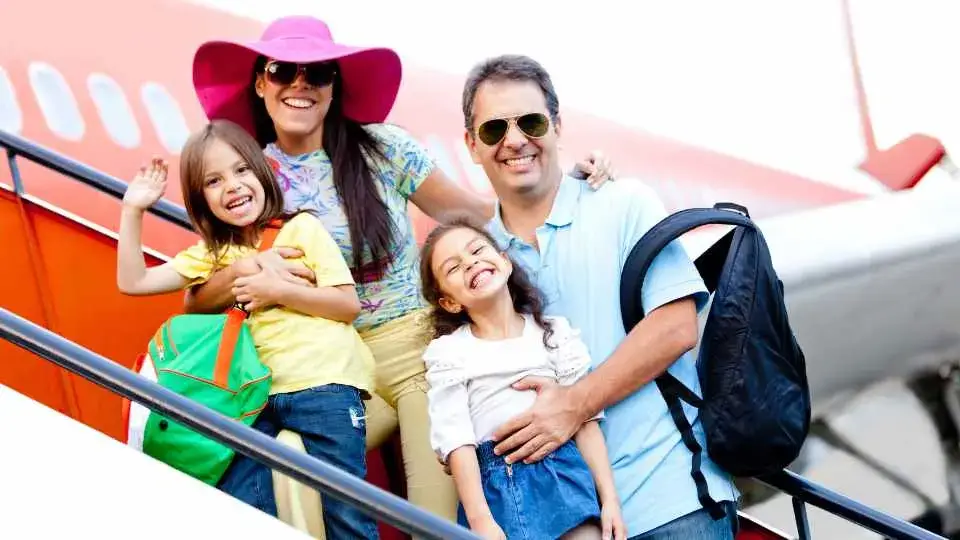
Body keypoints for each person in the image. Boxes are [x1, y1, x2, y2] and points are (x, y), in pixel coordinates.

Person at [186, 15, 616, 523]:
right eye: (283, 71)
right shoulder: (248, 174)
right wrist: (252, 269)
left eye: (318, 73)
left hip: (415, 351)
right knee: (292, 475)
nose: (300, 85)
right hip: (332, 367)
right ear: (260, 83)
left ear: (334, 87)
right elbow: (203, 285)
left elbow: (479, 214)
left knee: (430, 514)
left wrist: (567, 185)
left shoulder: (381, 148)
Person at [459, 54, 740, 539]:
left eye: (530, 121)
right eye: (493, 130)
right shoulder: (478, 257)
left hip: (668, 500)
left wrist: (573, 405)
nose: (515, 141)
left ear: (558, 126)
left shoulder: (623, 203)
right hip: (563, 522)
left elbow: (676, 328)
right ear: (471, 145)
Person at [115, 120, 379, 539]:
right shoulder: (214, 254)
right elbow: (133, 282)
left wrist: (276, 289)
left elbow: (346, 305)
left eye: (241, 170)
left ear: (261, 173)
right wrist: (133, 210)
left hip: (323, 385)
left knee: (346, 516)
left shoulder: (301, 229)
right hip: (251, 397)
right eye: (214, 181)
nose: (233, 186)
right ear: (202, 200)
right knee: (243, 503)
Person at [419, 217, 626, 540]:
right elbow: (457, 443)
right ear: (449, 301)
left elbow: (586, 421)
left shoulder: (553, 333)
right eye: (454, 267)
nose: (471, 263)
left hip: (563, 474)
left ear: (504, 260)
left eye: (476, 250)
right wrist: (480, 521)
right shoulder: (449, 353)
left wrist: (609, 500)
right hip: (497, 487)